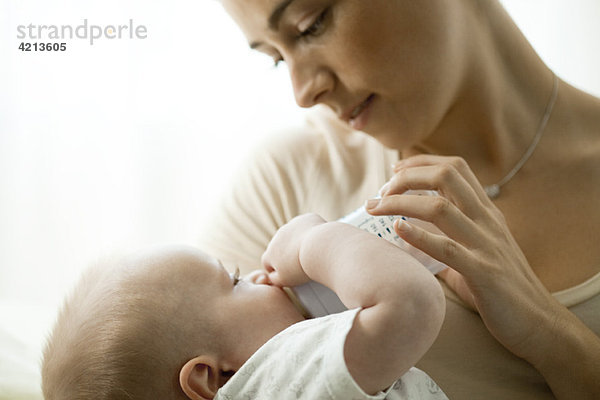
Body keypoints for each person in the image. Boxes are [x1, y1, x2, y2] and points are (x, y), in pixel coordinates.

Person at [201, 0, 600, 398]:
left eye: (311, 24)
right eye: (275, 58)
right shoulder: (283, 183)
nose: (303, 92)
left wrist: (548, 333)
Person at [41, 214, 448, 400]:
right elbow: (411, 307)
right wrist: (313, 243)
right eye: (234, 281)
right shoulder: (276, 378)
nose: (258, 276)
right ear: (212, 377)